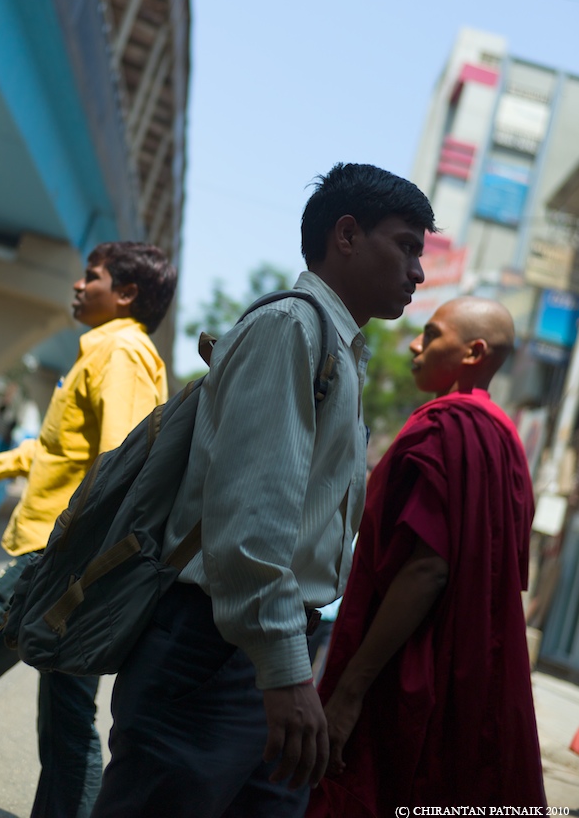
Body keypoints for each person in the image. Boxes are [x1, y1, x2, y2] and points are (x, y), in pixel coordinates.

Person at [90, 162, 436, 818]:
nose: (417, 271)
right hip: (215, 652)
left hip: (263, 650)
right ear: (345, 235)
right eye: (406, 246)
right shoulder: (291, 328)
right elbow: (252, 524)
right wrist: (282, 671)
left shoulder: (339, 347)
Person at [0, 242, 177, 818]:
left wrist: (70, 563)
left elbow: (121, 463)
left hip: (51, 560)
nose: (78, 285)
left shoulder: (121, 352)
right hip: (71, 564)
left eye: (92, 276)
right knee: (69, 726)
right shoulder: (113, 352)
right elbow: (62, 450)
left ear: (125, 294)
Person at [309, 297, 546, 817]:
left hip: (409, 661)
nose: (416, 345)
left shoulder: (442, 427)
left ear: (473, 351)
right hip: (475, 665)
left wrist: (350, 691)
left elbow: (426, 567)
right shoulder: (506, 440)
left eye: (432, 335)